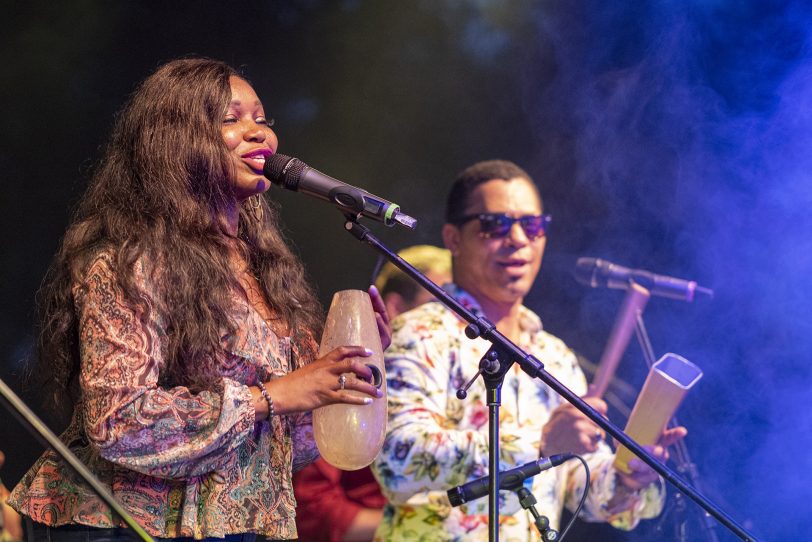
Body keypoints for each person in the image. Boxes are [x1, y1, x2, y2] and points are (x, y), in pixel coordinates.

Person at [7, 58, 390, 541]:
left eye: (263, 119)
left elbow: (284, 445)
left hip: (240, 526)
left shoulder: (266, 271)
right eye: (231, 119)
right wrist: (272, 396)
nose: (260, 134)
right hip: (120, 524)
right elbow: (119, 421)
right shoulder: (129, 262)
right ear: (174, 140)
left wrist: (349, 370)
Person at [372, 160, 686, 541]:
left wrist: (627, 476)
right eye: (495, 224)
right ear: (453, 238)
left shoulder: (554, 355)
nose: (518, 238)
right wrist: (540, 442)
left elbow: (579, 487)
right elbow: (396, 460)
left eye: (532, 225)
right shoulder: (419, 334)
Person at [292, 245, 452, 542]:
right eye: (435, 308)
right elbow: (313, 507)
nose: (447, 321)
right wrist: (417, 528)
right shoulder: (352, 375)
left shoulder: (455, 377)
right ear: (392, 307)